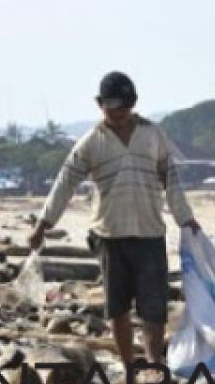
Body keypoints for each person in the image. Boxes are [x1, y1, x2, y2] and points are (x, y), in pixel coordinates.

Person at [29, 71, 200, 367]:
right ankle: (128, 364)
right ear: (100, 105)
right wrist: (44, 224)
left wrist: (186, 218)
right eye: (110, 107)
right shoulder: (91, 142)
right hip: (110, 235)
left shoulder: (152, 134)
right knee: (117, 307)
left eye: (122, 107)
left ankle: (152, 363)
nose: (117, 113)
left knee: (153, 307)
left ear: (132, 105)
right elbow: (65, 182)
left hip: (149, 233)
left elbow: (171, 179)